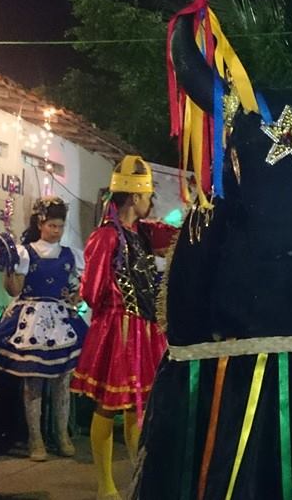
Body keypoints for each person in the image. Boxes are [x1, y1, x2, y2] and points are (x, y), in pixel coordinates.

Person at [70, 156, 176, 500]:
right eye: (148, 196)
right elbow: (92, 290)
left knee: (136, 406)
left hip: (143, 329)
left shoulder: (141, 233)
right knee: (108, 405)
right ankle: (105, 485)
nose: (151, 203)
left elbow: (173, 235)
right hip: (118, 330)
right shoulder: (106, 236)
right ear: (134, 197)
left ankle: (137, 478)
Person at [0, 197, 86, 461]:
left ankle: (62, 435)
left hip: (60, 319)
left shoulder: (70, 254)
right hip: (31, 318)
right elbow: (14, 290)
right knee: (32, 381)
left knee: (63, 380)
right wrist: (9, 268)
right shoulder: (25, 252)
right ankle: (36, 439)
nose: (57, 231)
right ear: (40, 224)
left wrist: (76, 296)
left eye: (60, 226)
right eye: (52, 225)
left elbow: (78, 288)